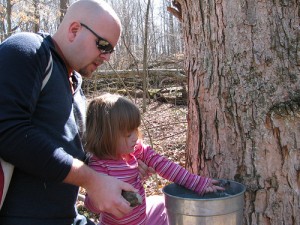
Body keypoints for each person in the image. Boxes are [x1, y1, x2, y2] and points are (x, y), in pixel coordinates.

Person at [0, 0, 152, 224]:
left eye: (111, 50)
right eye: (103, 45)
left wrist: (116, 163)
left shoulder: (75, 84)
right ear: (74, 30)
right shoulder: (27, 50)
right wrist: (92, 180)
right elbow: (7, 131)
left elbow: (69, 154)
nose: (107, 57)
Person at [84, 93, 225, 225]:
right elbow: (92, 206)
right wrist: (104, 197)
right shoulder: (99, 167)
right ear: (105, 138)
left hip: (143, 219)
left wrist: (196, 183)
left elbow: (162, 164)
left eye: (135, 130)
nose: (135, 137)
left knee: (162, 204)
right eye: (128, 134)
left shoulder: (135, 150)